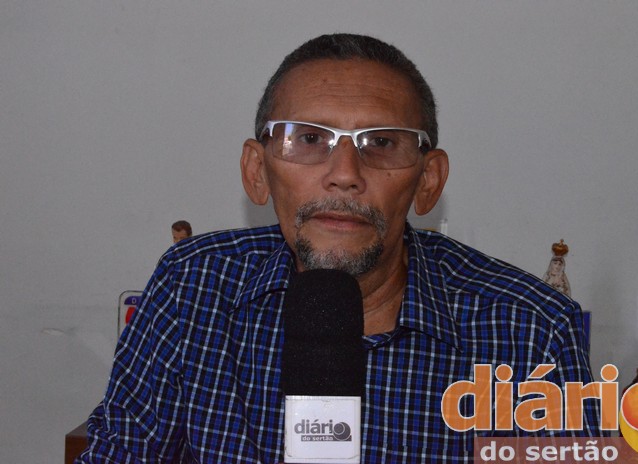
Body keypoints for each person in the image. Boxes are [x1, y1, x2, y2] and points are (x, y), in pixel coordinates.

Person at [78, 33, 601, 463]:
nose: (345, 174)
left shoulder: (530, 330)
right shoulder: (193, 285)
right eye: (309, 139)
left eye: (381, 142)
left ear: (428, 181)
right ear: (257, 172)